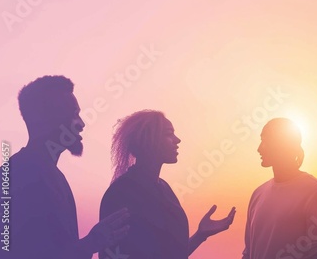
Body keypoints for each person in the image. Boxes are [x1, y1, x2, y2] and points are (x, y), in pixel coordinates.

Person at [0, 75, 130, 259]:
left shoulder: (51, 175)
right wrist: (93, 242)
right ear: (42, 119)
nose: (81, 124)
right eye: (73, 114)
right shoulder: (16, 175)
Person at [99, 110, 236, 259]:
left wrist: (200, 235)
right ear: (147, 140)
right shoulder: (121, 193)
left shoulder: (163, 188)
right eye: (168, 134)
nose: (177, 140)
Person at [242, 118, 317, 259]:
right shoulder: (258, 194)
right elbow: (248, 253)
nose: (259, 148)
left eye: (265, 141)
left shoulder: (316, 193)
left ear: (281, 145)